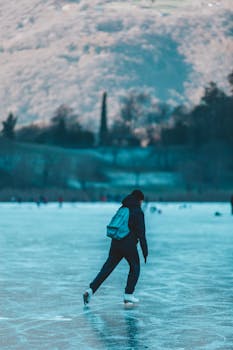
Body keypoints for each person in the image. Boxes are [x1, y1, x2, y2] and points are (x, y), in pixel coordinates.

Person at [83, 189, 148, 305]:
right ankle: (128, 295)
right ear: (139, 200)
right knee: (135, 267)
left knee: (107, 268)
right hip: (128, 244)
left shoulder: (123, 208)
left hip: (116, 241)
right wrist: (145, 251)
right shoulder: (137, 211)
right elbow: (141, 233)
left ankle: (91, 290)